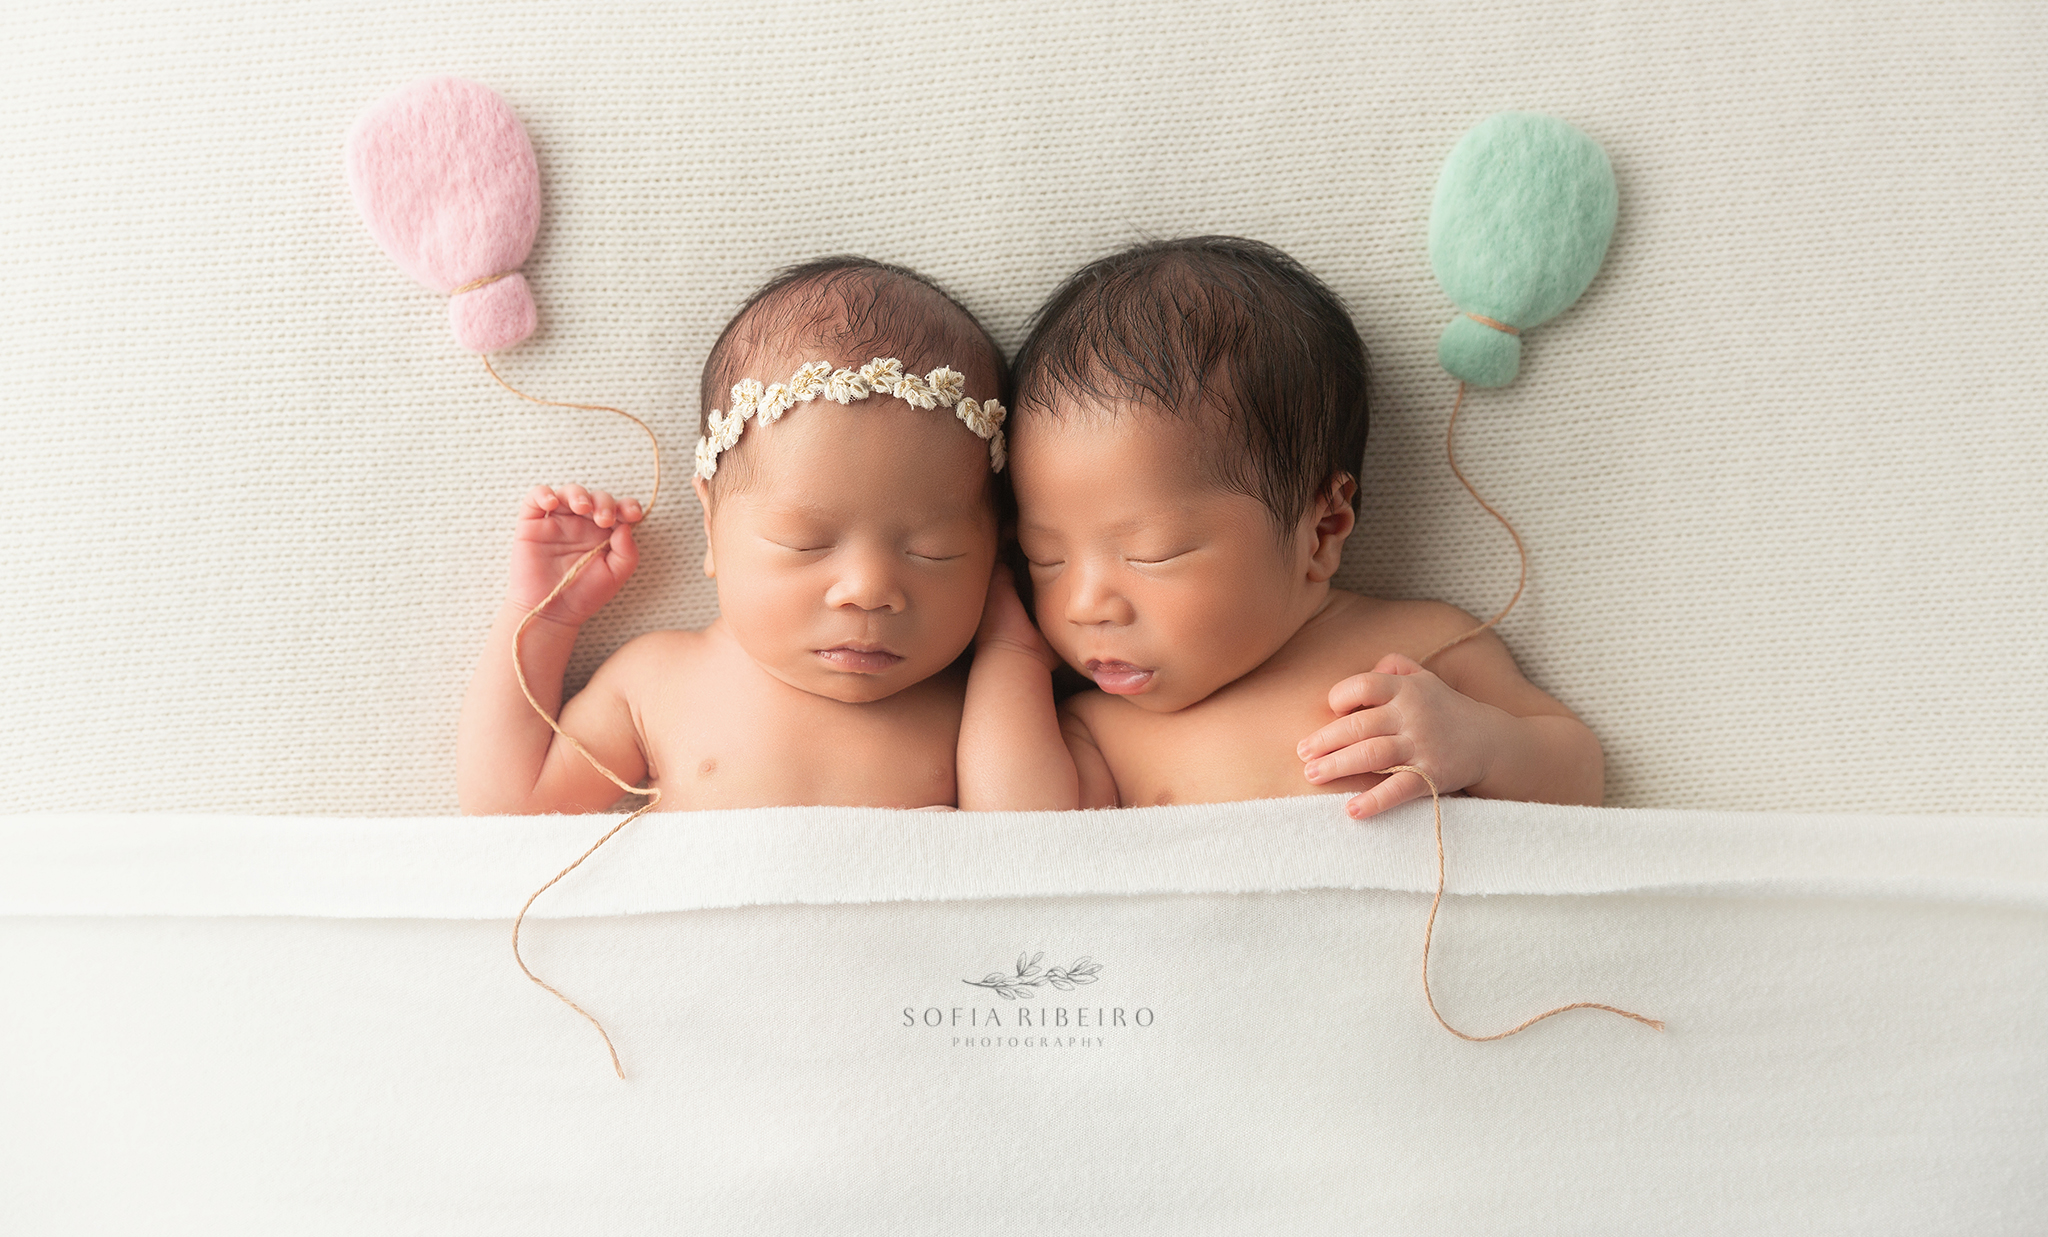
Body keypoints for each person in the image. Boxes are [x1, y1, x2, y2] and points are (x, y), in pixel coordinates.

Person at [956, 237, 1602, 818]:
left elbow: (1581, 774)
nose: (1085, 605)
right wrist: (1007, 646)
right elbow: (1018, 833)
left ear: (1322, 529)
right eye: (1045, 559)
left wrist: (1481, 744)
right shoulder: (1095, 727)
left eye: (1152, 553)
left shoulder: (1421, 648)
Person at [458, 257, 1009, 814]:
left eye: (932, 552)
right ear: (711, 524)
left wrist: (1018, 651)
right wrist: (546, 614)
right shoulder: (661, 681)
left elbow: (1044, 846)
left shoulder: (989, 700)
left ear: (997, 548)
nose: (867, 589)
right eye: (804, 543)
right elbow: (509, 811)